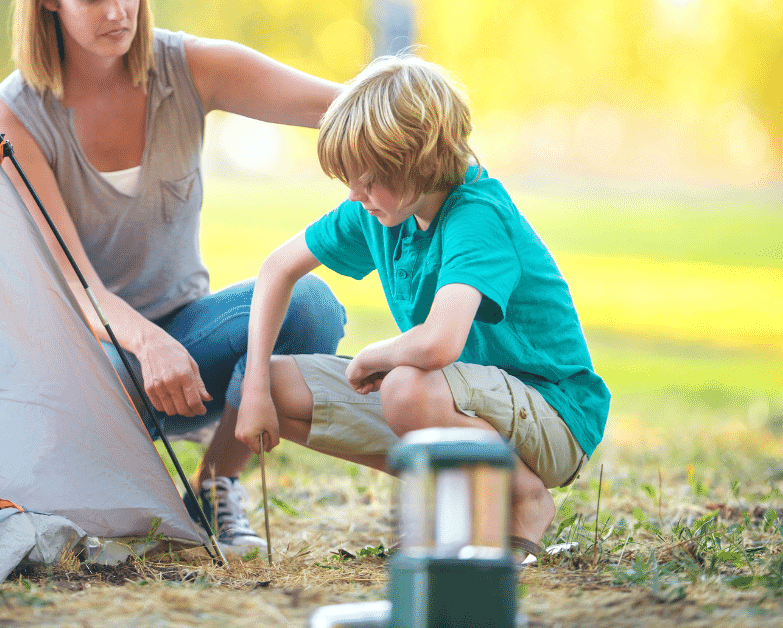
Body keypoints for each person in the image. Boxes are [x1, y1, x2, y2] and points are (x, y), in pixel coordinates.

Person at [0, 0, 347, 553]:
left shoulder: (189, 66)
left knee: (312, 305)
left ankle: (215, 482)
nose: (116, 12)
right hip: (93, 367)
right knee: (83, 393)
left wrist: (427, 130)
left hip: (191, 357)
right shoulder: (14, 112)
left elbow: (343, 106)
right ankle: (119, 493)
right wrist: (148, 343)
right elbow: (75, 284)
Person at [233, 53, 610, 561]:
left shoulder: (476, 214)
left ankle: (522, 496)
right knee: (269, 383)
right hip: (448, 397)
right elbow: (278, 268)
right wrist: (254, 386)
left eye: (367, 180)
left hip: (552, 415)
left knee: (405, 384)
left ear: (418, 161)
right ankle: (461, 489)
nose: (355, 195)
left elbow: (438, 342)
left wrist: (373, 356)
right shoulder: (381, 209)